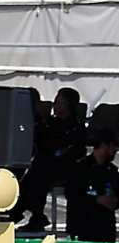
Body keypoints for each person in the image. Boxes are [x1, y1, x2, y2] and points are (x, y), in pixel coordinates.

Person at [10, 87, 87, 231]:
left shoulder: (76, 127)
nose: (55, 106)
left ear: (68, 106)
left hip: (64, 166)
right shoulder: (51, 123)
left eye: (59, 103)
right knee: (27, 177)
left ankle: (36, 216)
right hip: (45, 163)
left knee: (39, 175)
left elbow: (73, 149)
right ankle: (16, 212)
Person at [66, 129, 119, 243]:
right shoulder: (80, 168)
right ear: (103, 146)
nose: (115, 150)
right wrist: (96, 199)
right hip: (83, 227)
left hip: (105, 229)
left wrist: (114, 201)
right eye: (113, 146)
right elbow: (72, 195)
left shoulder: (112, 171)